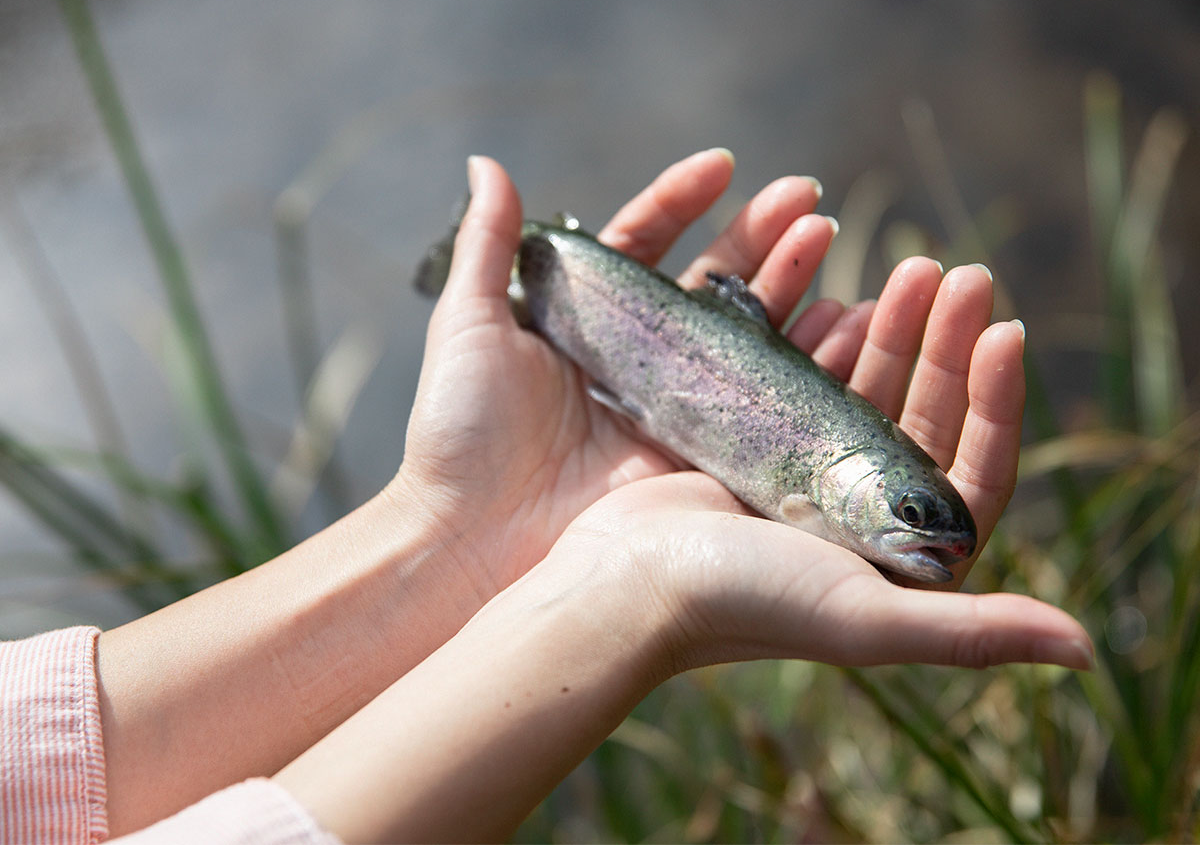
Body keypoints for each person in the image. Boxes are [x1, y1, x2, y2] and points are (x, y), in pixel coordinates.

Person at [1, 150, 1092, 844]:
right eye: (910, 514)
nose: (924, 538)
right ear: (861, 483)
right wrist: (607, 592)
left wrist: (448, 531)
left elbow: (32, 767)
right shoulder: (826, 474)